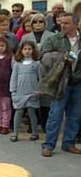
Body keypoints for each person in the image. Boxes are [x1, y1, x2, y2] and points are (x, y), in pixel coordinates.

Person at [40, 13, 81, 157]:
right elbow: (43, 57)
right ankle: (48, 145)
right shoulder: (54, 39)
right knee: (55, 114)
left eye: (67, 23)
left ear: (76, 24)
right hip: (61, 82)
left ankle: (68, 143)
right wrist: (61, 57)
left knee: (75, 115)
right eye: (61, 23)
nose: (62, 25)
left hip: (78, 82)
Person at [9, 41, 40, 142]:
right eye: (25, 49)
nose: (27, 51)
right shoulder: (17, 64)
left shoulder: (37, 64)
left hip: (32, 92)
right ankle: (15, 133)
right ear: (21, 51)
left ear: (33, 50)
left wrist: (39, 90)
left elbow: (41, 78)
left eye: (29, 49)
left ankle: (34, 132)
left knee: (32, 112)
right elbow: (13, 78)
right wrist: (13, 91)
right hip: (19, 93)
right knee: (18, 112)